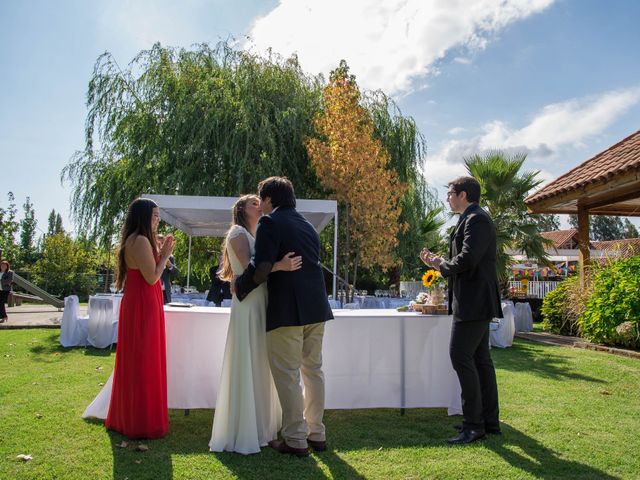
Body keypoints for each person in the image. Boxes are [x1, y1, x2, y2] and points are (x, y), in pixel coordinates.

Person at [235, 177, 334, 457]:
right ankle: (317, 433)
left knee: (288, 374)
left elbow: (263, 266)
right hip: (316, 307)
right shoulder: (306, 225)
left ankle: (295, 438)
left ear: (268, 200)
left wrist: (240, 287)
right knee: (313, 371)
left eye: (261, 200)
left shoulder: (270, 223)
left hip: (288, 309)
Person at [209, 194, 302, 455]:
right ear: (241, 210)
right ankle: (244, 429)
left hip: (261, 300)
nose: (259, 205)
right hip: (248, 303)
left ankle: (263, 427)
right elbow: (250, 269)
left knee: (261, 361)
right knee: (248, 359)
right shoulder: (237, 233)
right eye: (253, 203)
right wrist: (281, 266)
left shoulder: (257, 231)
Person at [420, 176, 502, 445]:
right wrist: (438, 262)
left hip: (474, 302)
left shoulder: (476, 219)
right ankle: (487, 421)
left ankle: (474, 424)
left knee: (460, 356)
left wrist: (442, 266)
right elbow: (465, 259)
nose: (447, 198)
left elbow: (468, 259)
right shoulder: (470, 218)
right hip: (474, 300)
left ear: (463, 194)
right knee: (480, 361)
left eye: (450, 193)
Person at [105, 198, 175, 439]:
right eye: (154, 215)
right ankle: (140, 421)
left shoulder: (137, 240)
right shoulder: (140, 240)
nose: (157, 219)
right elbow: (152, 277)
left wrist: (160, 251)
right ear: (143, 216)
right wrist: (165, 256)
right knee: (143, 360)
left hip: (142, 301)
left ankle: (131, 416)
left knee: (140, 358)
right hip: (143, 304)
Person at [157, 234, 180, 304]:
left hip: (165, 293)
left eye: (163, 243)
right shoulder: (151, 256)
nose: (161, 246)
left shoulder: (170, 257)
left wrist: (170, 265)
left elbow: (176, 273)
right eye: (159, 243)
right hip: (154, 291)